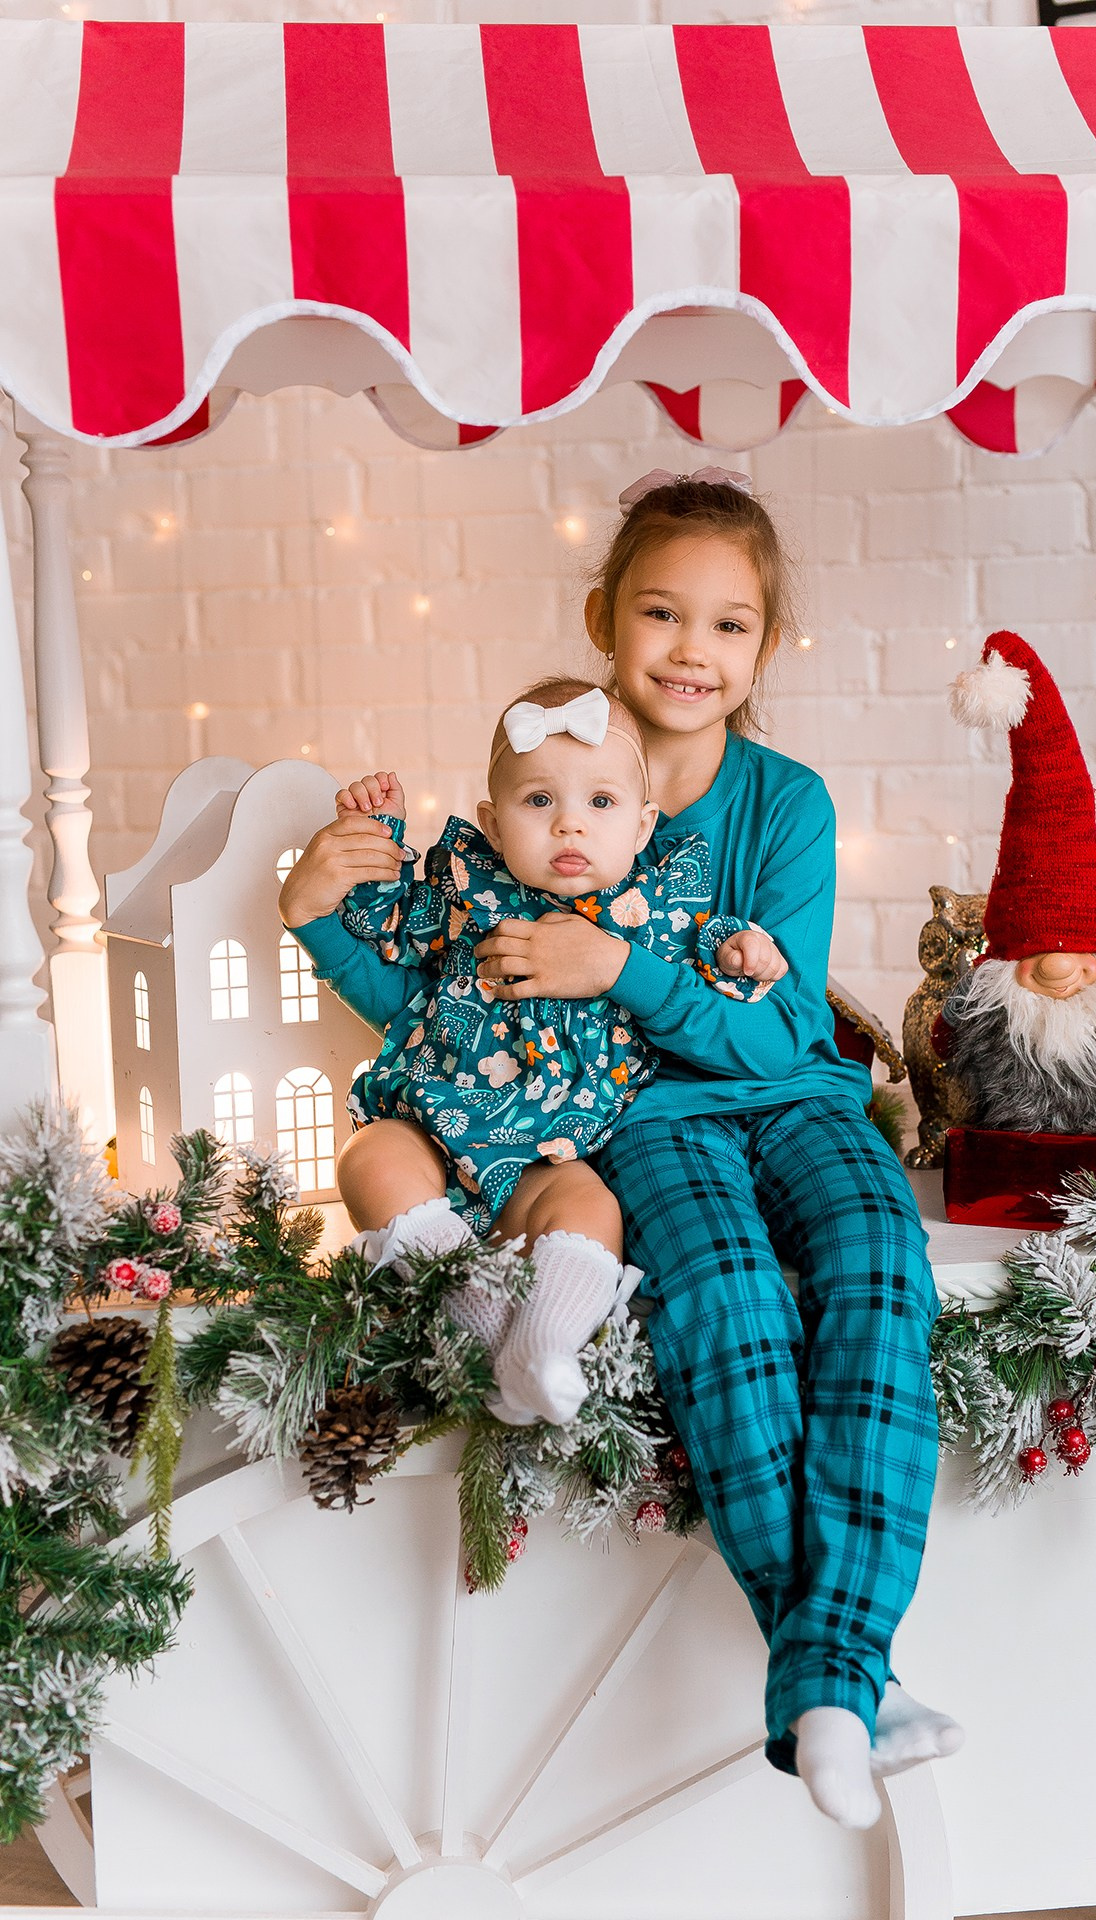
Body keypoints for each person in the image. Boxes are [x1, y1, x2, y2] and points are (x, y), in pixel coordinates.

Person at [470, 469, 960, 1828]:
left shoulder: (786, 804)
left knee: (876, 1261)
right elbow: (471, 973)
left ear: (764, 645)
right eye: (661, 613)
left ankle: (824, 1675)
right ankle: (848, 1687)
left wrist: (618, 967)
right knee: (730, 1298)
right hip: (648, 1120)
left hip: (800, 1098)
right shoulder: (553, 790)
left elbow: (782, 1031)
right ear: (602, 620)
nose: (692, 650)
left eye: (729, 625)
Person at [279, 676, 783, 1427]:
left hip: (549, 1154)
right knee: (369, 1157)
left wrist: (742, 953)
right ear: (492, 821)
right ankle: (476, 1314)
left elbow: (707, 973)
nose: (569, 825)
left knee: (592, 1209)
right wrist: (377, 836)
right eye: (539, 800)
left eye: (601, 803)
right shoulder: (465, 887)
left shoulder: (654, 909)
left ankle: (545, 1345)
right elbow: (384, 934)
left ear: (643, 827)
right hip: (428, 1119)